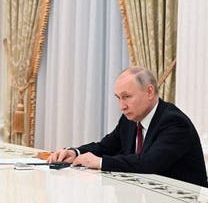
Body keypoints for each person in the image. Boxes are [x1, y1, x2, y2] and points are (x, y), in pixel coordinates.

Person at [48, 67, 208, 187]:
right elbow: (106, 147)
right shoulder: (130, 118)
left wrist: (100, 162)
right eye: (118, 98)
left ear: (150, 91)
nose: (121, 106)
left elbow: (149, 163)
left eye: (126, 97)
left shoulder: (174, 122)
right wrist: (75, 152)